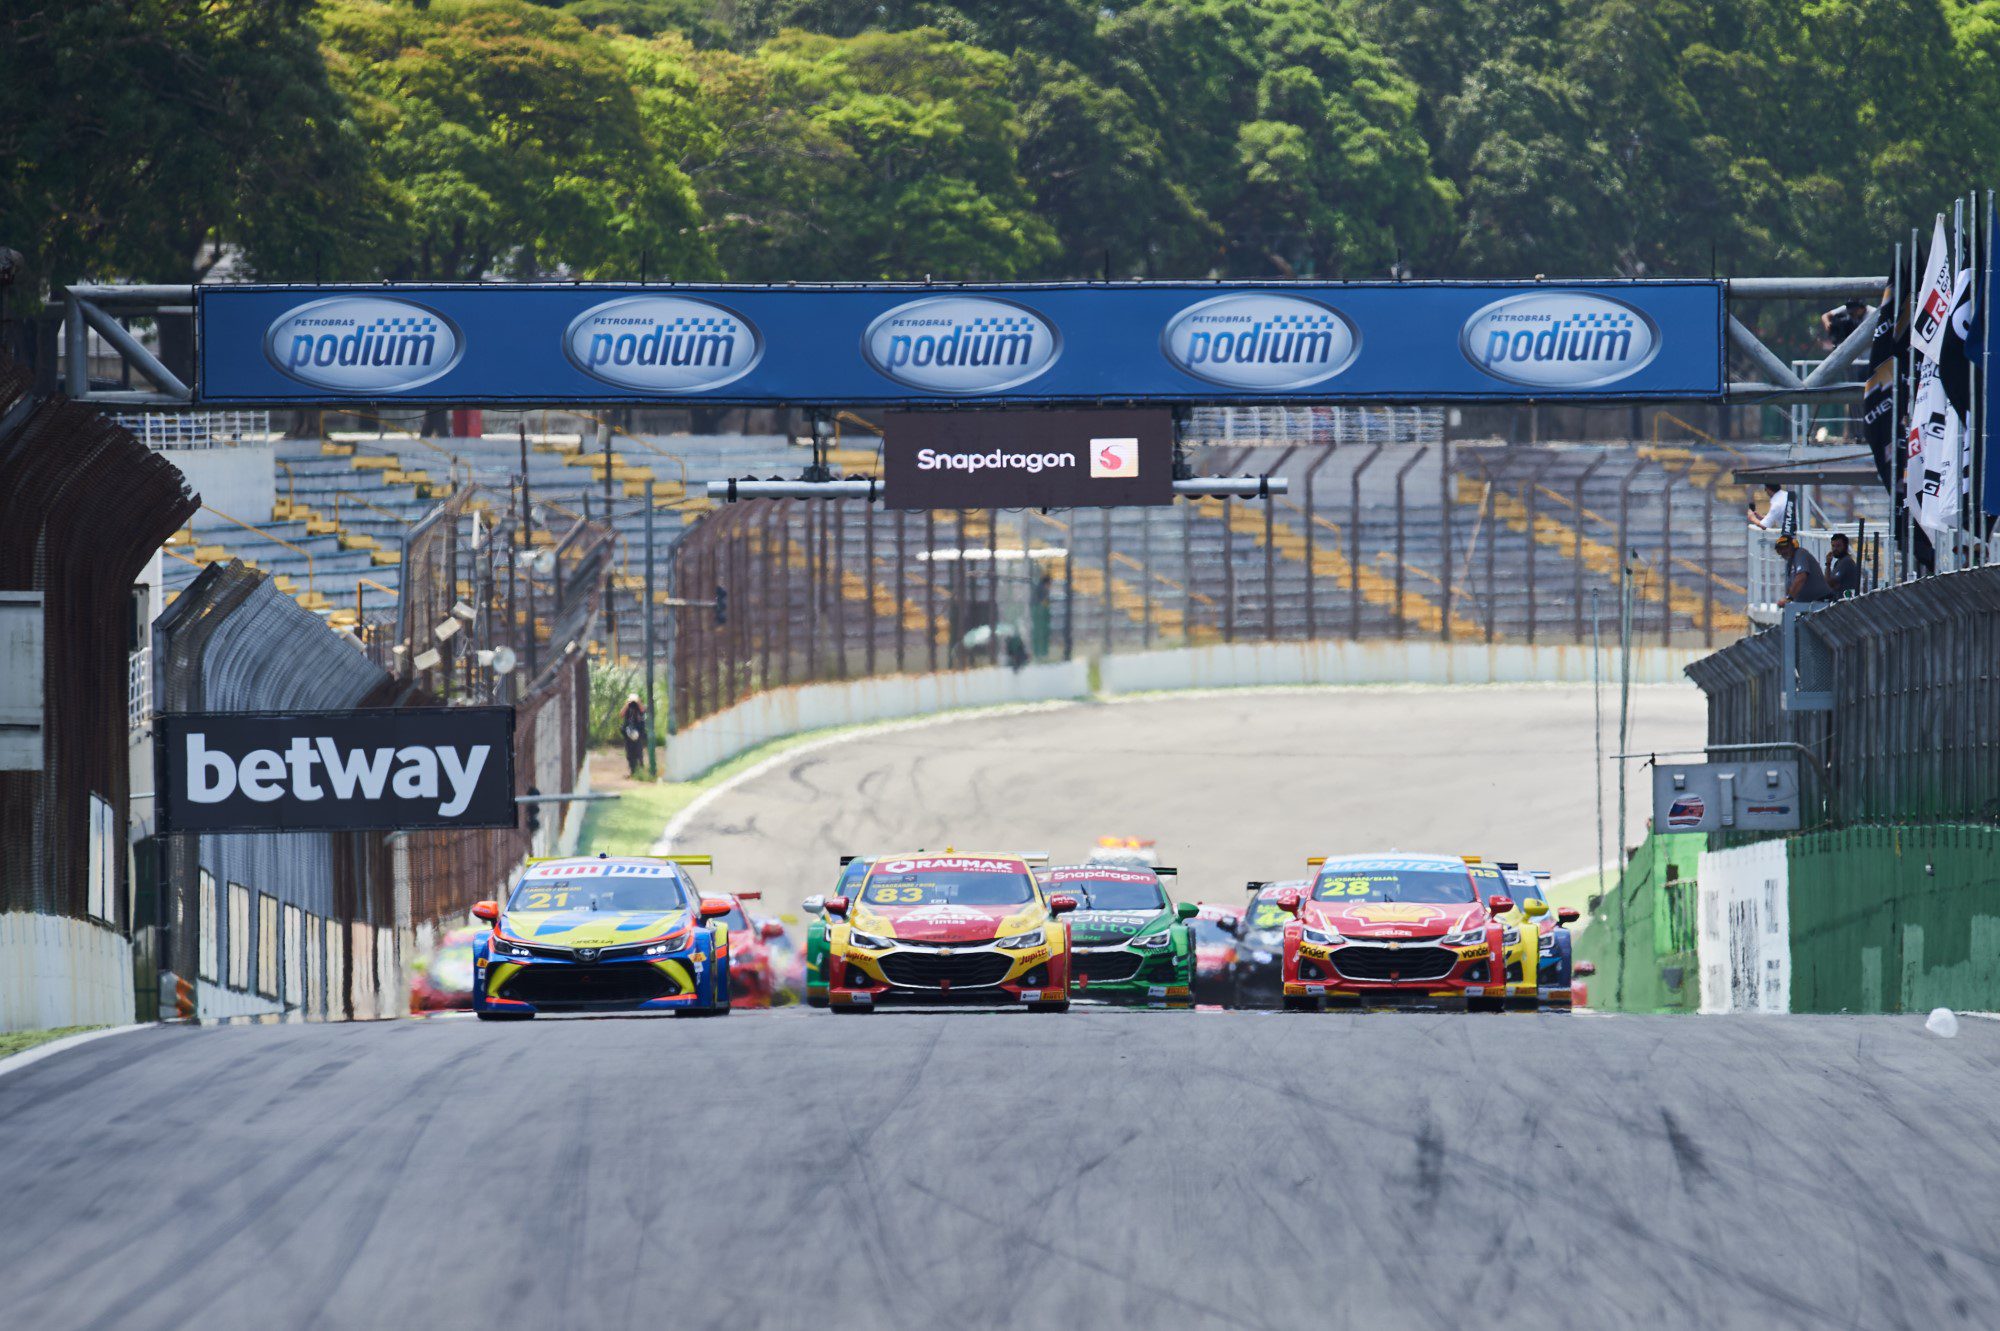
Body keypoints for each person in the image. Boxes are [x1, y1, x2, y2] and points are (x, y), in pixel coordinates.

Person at [1774, 535, 1836, 607]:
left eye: (1786, 547)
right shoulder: (1790, 562)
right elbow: (1790, 587)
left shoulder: (1800, 553)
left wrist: (1789, 598)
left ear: (1793, 546)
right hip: (1806, 604)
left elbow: (1801, 577)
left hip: (1820, 602)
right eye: (1780, 549)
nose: (1783, 551)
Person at [1824, 533, 1863, 598]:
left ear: (1845, 547)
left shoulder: (1846, 562)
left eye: (1838, 546)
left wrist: (1828, 564)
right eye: (1833, 546)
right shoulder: (1838, 562)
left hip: (1843, 601)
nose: (1835, 549)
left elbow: (1830, 583)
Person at [619, 693, 647, 776]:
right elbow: (621, 714)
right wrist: (628, 703)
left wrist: (637, 701)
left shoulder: (640, 707)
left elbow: (643, 710)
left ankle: (640, 770)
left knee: (638, 752)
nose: (633, 703)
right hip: (628, 733)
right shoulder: (628, 708)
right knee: (629, 753)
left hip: (638, 733)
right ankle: (632, 771)